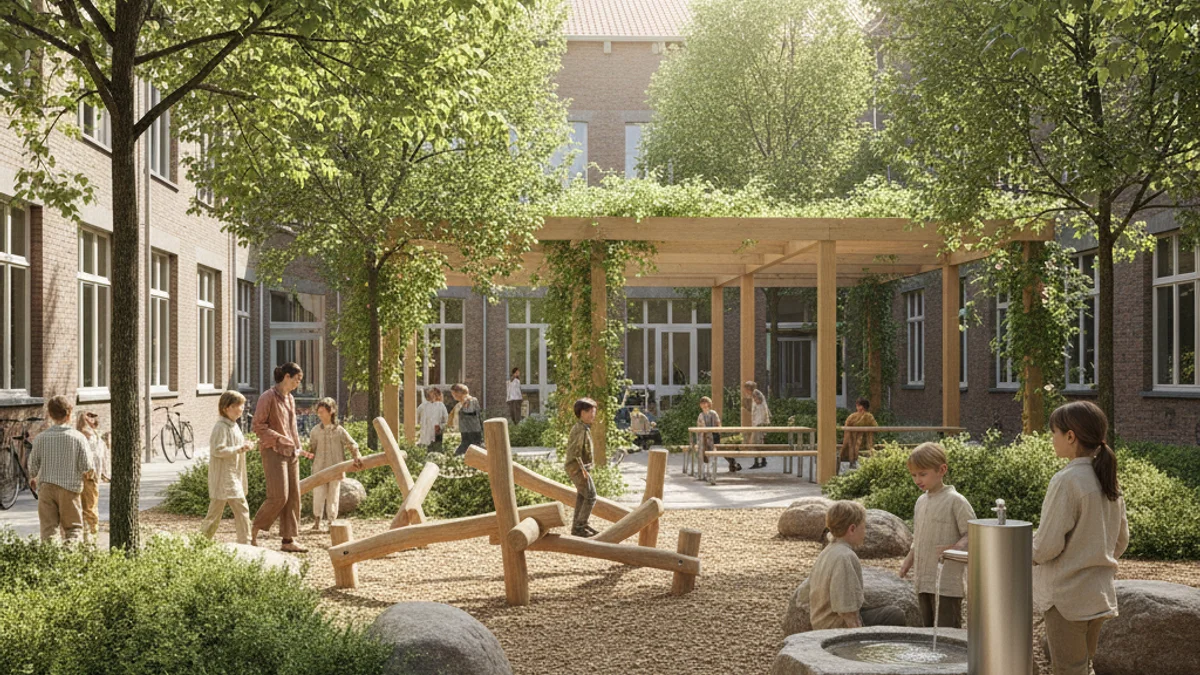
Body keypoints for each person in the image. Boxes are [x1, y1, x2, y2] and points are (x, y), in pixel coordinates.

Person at [1035, 401, 1129, 675]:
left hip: (1067, 597)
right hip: (1097, 594)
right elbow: (1120, 540)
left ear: (1071, 436)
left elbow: (1046, 548)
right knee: (1084, 667)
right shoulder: (1108, 478)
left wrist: (1020, 550)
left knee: (1069, 671)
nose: (1052, 439)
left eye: (1054, 432)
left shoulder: (1067, 480)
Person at [899, 442, 975, 628]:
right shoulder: (921, 502)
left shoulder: (955, 501)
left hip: (947, 583)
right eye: (914, 475)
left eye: (922, 474)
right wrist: (908, 562)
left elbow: (973, 534)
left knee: (946, 631)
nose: (917, 480)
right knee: (927, 631)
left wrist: (954, 549)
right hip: (923, 581)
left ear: (941, 470)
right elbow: (918, 538)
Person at [806, 500, 907, 629]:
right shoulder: (845, 556)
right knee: (894, 615)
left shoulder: (828, 551)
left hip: (820, 621)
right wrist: (856, 636)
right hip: (834, 625)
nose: (865, 532)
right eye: (863, 527)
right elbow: (845, 607)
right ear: (852, 529)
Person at [251, 362, 309, 553]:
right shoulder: (267, 397)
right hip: (273, 451)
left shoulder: (290, 399)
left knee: (293, 497)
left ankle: (288, 540)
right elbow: (258, 426)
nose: (297, 384)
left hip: (291, 453)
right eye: (296, 380)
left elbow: (292, 427)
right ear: (286, 377)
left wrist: (298, 446)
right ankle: (253, 530)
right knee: (279, 496)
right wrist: (279, 438)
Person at [28, 395, 93, 544]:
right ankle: (68, 562)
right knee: (73, 529)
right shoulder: (78, 438)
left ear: (50, 414)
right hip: (69, 489)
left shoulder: (41, 438)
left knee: (48, 530)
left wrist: (33, 477)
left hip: (46, 488)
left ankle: (50, 562)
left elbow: (33, 466)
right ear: (69, 414)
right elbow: (87, 466)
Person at [200, 391, 256, 544]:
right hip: (224, 477)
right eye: (237, 405)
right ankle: (245, 542)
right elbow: (217, 450)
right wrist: (239, 448)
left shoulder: (234, 426)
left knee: (220, 512)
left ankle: (201, 542)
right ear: (226, 408)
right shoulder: (220, 427)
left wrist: (246, 446)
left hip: (233, 475)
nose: (241, 408)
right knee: (235, 509)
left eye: (242, 405)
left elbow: (236, 445)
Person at [308, 397, 362, 532]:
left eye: (322, 412)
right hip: (319, 468)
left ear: (331, 411)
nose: (320, 415)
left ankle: (331, 521)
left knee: (333, 495)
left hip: (336, 467)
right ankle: (317, 521)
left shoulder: (339, 430)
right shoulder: (315, 431)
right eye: (318, 412)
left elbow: (352, 444)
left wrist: (356, 456)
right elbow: (312, 448)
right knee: (318, 494)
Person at [564, 398, 598, 538]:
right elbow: (575, 451)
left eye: (593, 411)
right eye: (588, 411)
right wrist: (582, 469)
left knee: (582, 496)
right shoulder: (580, 430)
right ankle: (580, 526)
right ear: (581, 413)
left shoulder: (583, 427)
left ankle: (578, 525)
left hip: (578, 467)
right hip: (576, 468)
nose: (592, 414)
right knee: (591, 496)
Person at [74, 410, 107, 542]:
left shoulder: (94, 433)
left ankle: (90, 535)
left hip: (93, 475)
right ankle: (90, 537)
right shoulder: (84, 434)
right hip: (88, 475)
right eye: (89, 416)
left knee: (90, 506)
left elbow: (101, 455)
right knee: (89, 507)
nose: (92, 418)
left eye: (93, 416)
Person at [697, 395, 734, 473]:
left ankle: (732, 462)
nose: (704, 405)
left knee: (719, 450)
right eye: (702, 403)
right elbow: (700, 427)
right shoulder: (701, 415)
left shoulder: (713, 413)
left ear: (709, 404)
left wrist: (716, 431)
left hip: (715, 436)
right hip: (704, 437)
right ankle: (704, 469)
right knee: (702, 448)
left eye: (705, 403)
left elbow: (718, 424)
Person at [842, 398, 878, 471]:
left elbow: (875, 427)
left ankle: (853, 462)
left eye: (858, 405)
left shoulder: (868, 417)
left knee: (858, 451)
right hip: (854, 439)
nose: (857, 406)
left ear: (862, 406)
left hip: (863, 439)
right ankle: (854, 462)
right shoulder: (853, 416)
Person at [450, 383, 482, 455]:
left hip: (472, 431)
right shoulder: (462, 403)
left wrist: (464, 405)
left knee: (470, 449)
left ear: (459, 393)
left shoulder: (472, 400)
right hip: (465, 430)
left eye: (453, 393)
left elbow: (470, 412)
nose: (453, 396)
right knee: (467, 450)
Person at [745, 382, 771, 469]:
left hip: (759, 423)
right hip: (758, 422)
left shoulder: (755, 394)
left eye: (746, 389)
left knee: (755, 443)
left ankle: (757, 462)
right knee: (759, 442)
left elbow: (759, 402)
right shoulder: (756, 394)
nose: (745, 391)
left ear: (749, 388)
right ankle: (763, 460)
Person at [416, 388, 449, 454]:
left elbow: (446, 419)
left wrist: (440, 426)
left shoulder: (441, 405)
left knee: (437, 449)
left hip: (436, 431)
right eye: (431, 394)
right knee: (426, 448)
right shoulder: (423, 406)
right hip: (426, 431)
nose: (432, 396)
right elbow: (416, 416)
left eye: (434, 394)